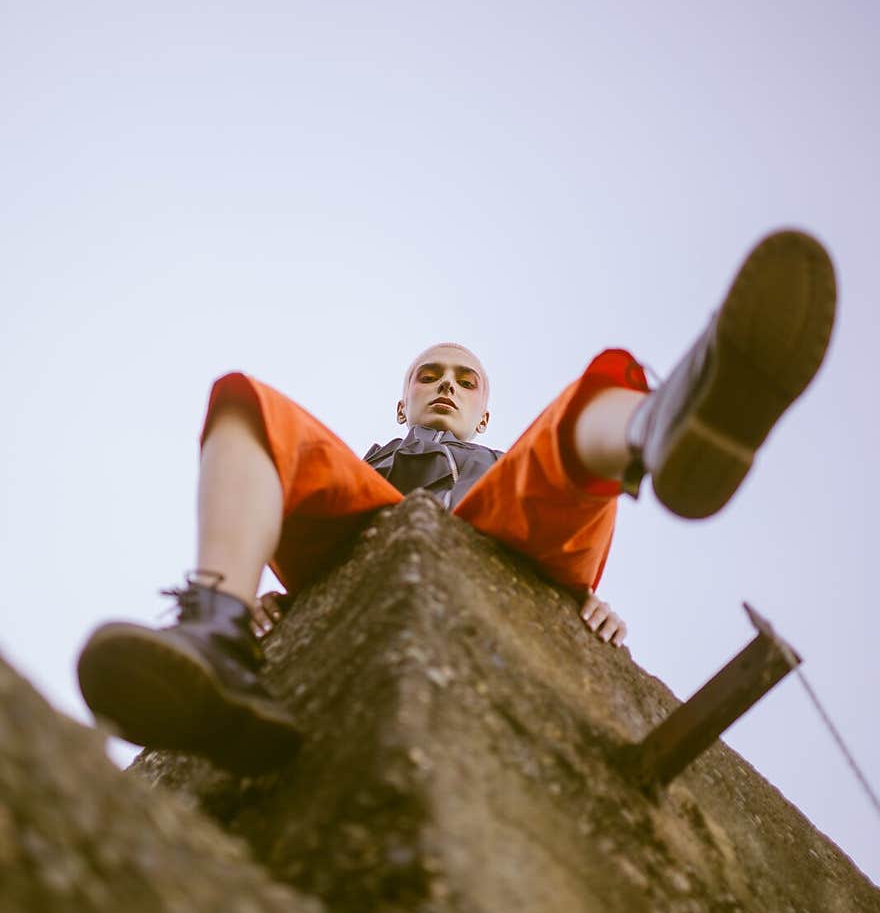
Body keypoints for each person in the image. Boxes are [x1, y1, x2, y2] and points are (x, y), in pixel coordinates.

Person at [77, 228, 837, 774]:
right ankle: (215, 629)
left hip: (503, 534)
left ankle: (664, 427)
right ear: (403, 395)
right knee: (246, 403)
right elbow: (305, 486)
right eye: (431, 374)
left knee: (580, 409)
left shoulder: (510, 459)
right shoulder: (366, 462)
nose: (446, 384)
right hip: (365, 522)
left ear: (482, 415)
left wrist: (585, 605)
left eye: (465, 380)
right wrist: (270, 596)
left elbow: (556, 502)